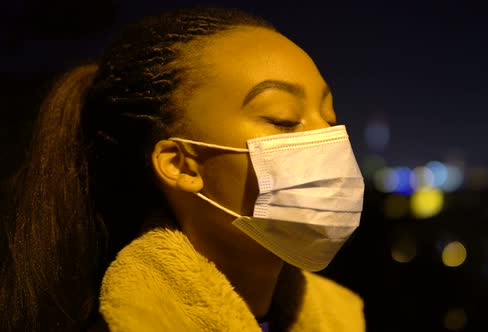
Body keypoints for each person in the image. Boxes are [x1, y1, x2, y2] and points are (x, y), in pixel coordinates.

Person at [0, 5, 366, 331]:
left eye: (330, 118)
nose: (327, 139)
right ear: (181, 164)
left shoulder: (341, 318)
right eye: (283, 119)